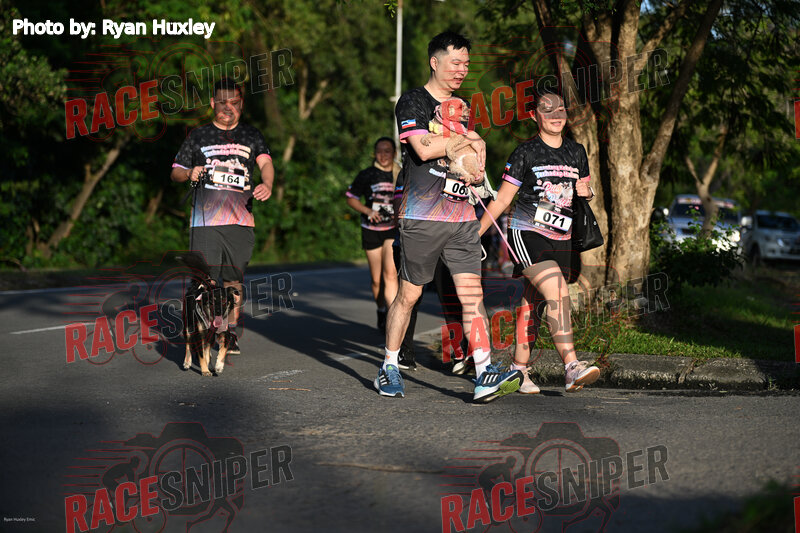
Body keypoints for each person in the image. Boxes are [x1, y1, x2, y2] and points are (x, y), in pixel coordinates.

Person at [375, 31, 522, 402]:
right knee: (409, 294)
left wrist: (475, 162)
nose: (462, 70)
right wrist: (469, 139)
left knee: (472, 295)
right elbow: (422, 149)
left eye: (466, 64)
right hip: (423, 216)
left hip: (462, 217)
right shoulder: (414, 101)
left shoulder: (463, 106)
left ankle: (484, 371)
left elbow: (466, 157)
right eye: (455, 62)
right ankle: (389, 365)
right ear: (434, 62)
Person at [479, 91, 600, 394]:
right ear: (534, 116)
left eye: (560, 109)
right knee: (557, 291)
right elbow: (502, 199)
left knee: (532, 304)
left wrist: (588, 192)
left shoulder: (577, 151)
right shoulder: (525, 152)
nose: (556, 115)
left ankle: (518, 370)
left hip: (563, 238)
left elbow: (585, 190)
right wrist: (473, 233)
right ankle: (571, 366)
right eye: (547, 110)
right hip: (528, 233)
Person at [170, 77, 274, 355]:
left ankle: (228, 332)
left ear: (242, 104)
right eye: (223, 102)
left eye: (235, 102)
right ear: (212, 103)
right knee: (205, 280)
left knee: (232, 281)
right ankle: (203, 330)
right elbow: (176, 171)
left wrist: (267, 183)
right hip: (205, 222)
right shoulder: (198, 136)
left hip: (240, 221)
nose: (229, 108)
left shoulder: (252, 135)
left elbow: (265, 164)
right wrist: (189, 173)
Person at [346, 137, 400, 334]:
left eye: (387, 151)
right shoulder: (367, 174)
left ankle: (393, 317)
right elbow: (351, 198)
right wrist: (368, 211)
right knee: (377, 280)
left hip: (392, 230)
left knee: (390, 274)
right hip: (371, 230)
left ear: (394, 153)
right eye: (379, 151)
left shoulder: (401, 173)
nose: (383, 155)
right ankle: (381, 310)